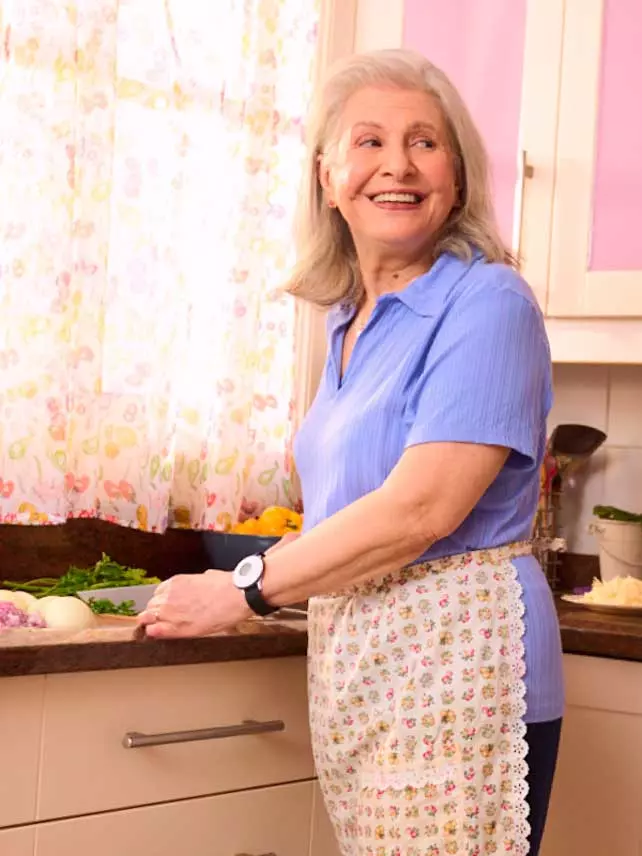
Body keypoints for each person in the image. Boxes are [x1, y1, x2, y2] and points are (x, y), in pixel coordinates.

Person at [138, 48, 564, 856]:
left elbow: (421, 508)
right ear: (328, 178)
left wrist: (242, 590)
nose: (397, 165)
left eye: (424, 142)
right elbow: (344, 509)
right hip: (363, 670)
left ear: (458, 178)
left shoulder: (489, 302)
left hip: (459, 668)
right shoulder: (347, 321)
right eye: (369, 142)